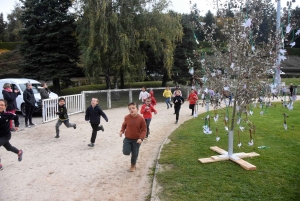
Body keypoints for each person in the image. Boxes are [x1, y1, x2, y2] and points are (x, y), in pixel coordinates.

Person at [119, 102, 146, 172]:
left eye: (133, 108)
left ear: (137, 109)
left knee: (134, 154)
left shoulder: (141, 119)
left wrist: (141, 138)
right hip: (127, 138)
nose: (131, 110)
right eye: (130, 109)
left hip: (137, 140)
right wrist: (122, 131)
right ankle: (130, 148)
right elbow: (124, 125)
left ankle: (133, 165)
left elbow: (144, 130)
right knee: (126, 152)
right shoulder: (127, 117)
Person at [0, 99, 23, 171]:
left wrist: (16, 125)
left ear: (5, 106)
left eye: (2, 105)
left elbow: (16, 117)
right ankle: (19, 152)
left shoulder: (8, 114)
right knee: (8, 148)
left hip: (5, 135)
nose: (0, 106)